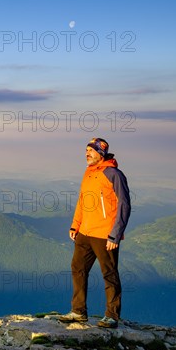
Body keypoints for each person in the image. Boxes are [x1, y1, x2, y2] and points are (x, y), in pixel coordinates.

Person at [59, 138, 131, 328]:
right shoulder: (89, 173)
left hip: (104, 235)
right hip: (85, 232)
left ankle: (112, 316)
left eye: (91, 150)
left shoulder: (114, 174)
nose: (87, 153)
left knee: (109, 273)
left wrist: (115, 234)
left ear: (101, 153)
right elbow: (83, 201)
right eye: (86, 150)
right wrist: (75, 225)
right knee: (78, 269)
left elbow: (124, 205)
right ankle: (78, 311)